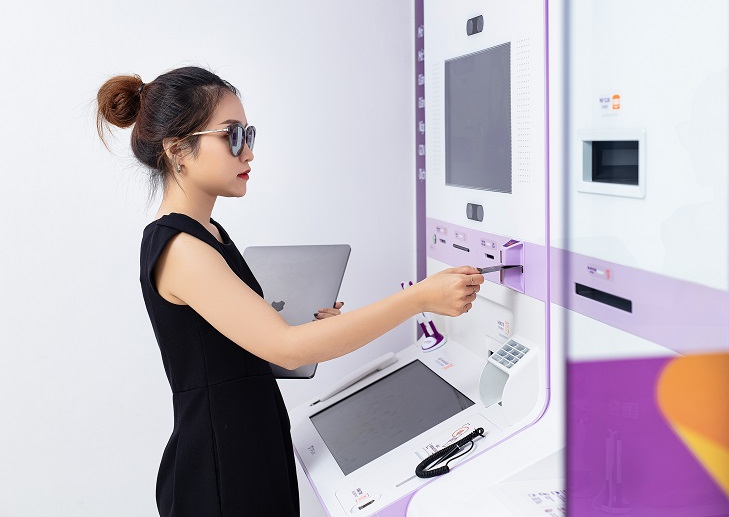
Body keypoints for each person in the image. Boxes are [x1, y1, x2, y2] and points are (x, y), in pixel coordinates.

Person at [96, 66, 484, 517]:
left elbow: (244, 354)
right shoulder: (181, 247)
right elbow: (288, 348)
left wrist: (307, 331)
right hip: (221, 471)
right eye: (232, 136)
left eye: (249, 135)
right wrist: (419, 299)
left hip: (246, 450)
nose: (249, 152)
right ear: (178, 149)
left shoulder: (208, 234)